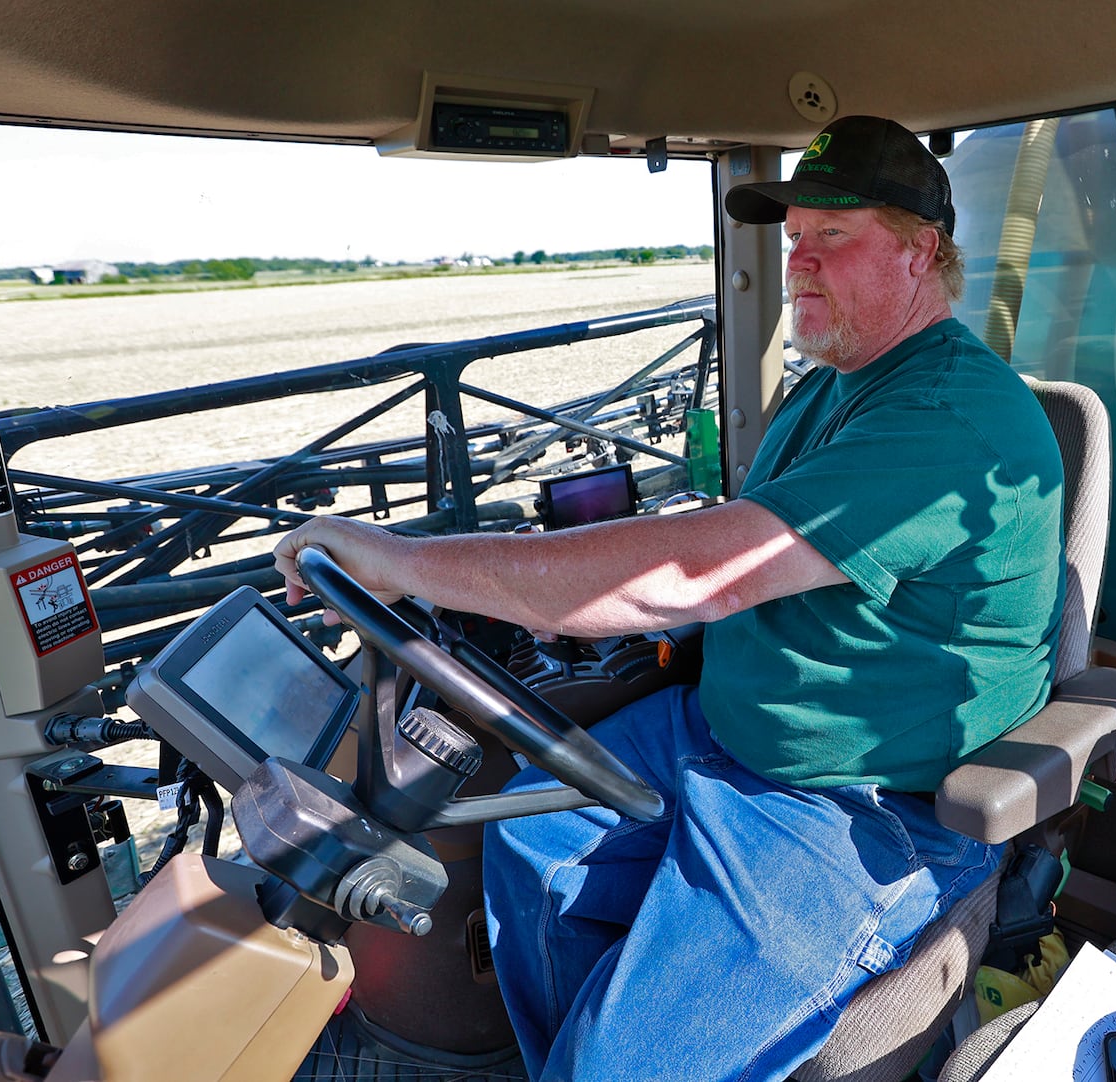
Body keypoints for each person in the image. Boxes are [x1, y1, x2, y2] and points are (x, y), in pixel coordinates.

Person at [273, 114, 1065, 1081]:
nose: (800, 263)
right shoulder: (834, 383)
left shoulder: (948, 415)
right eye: (794, 239)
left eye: (834, 236)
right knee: (529, 837)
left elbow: (696, 573)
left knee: (618, 1063)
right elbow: (744, 541)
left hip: (858, 804)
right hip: (721, 733)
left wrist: (401, 559)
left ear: (921, 252)